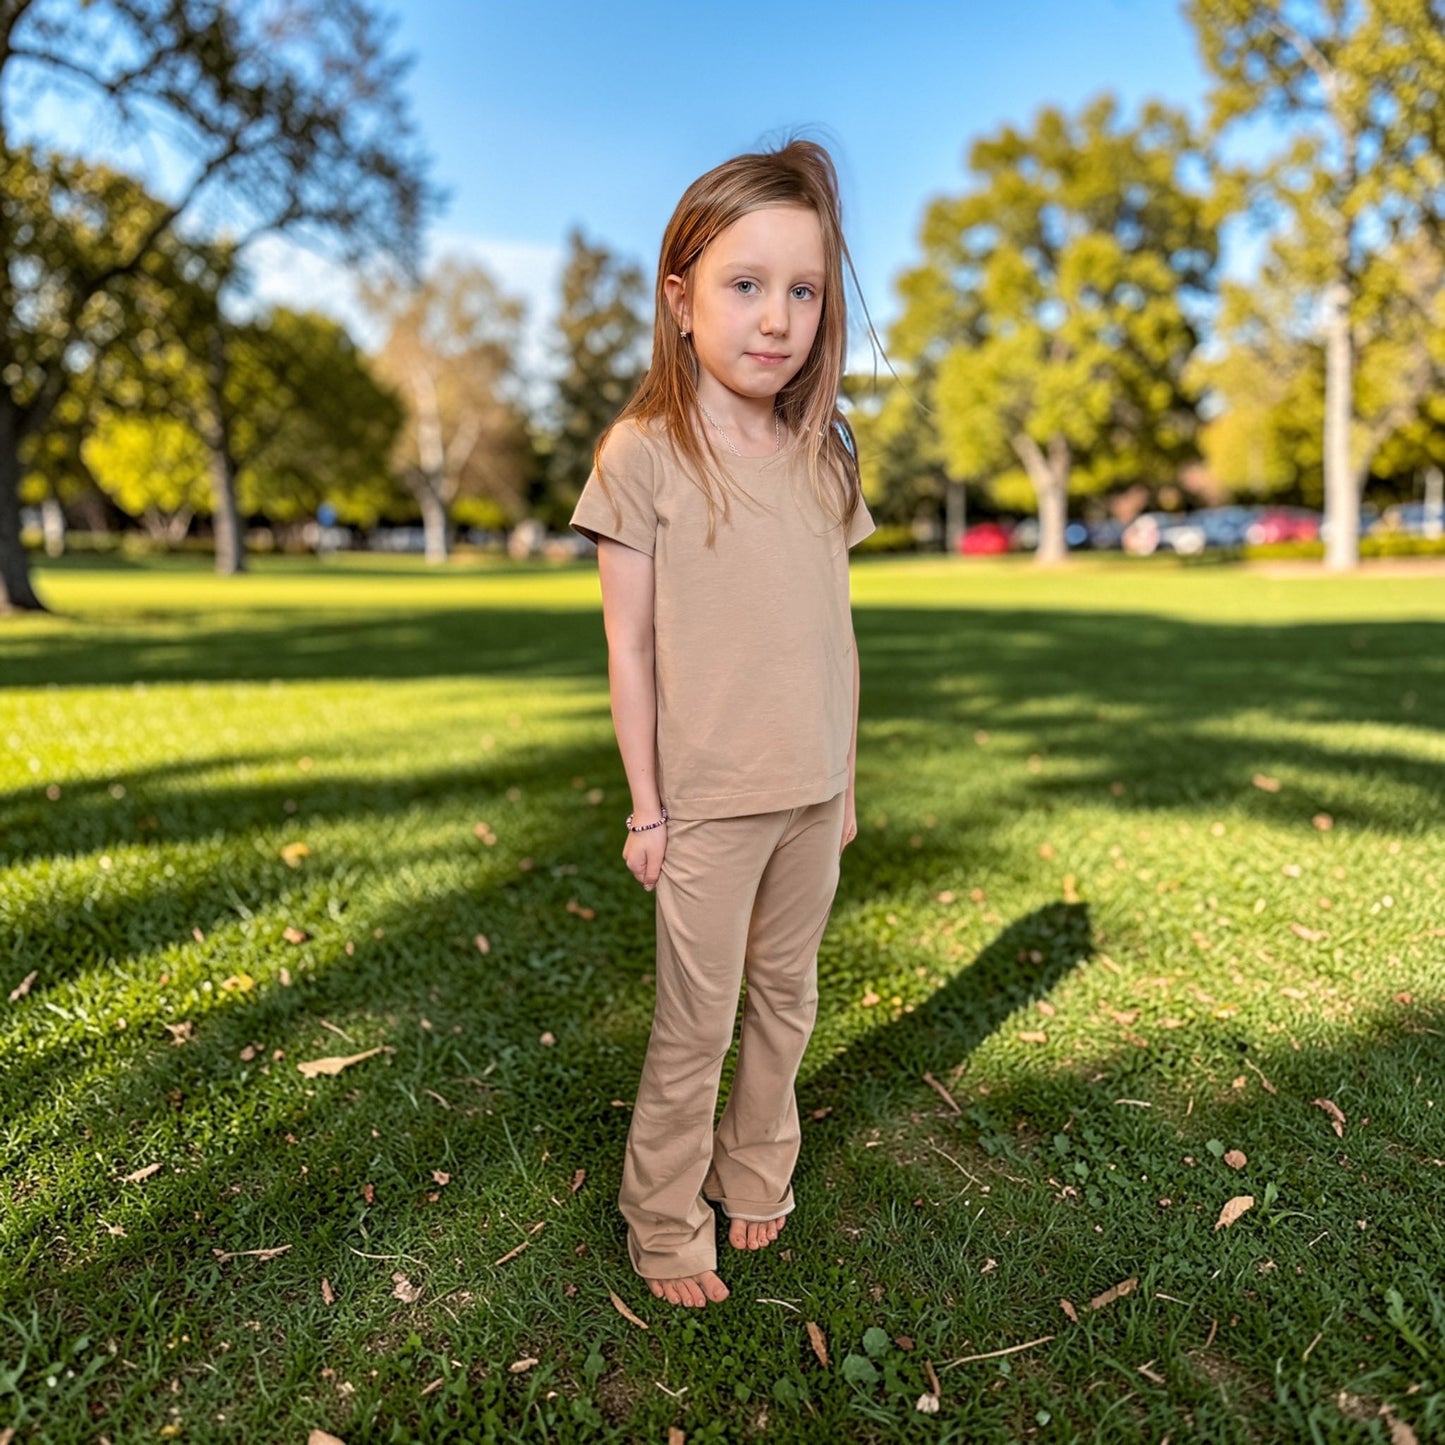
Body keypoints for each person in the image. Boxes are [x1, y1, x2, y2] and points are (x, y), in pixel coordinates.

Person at [569, 138, 876, 1309]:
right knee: (695, 1022)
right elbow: (629, 647)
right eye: (745, 285)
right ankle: (661, 1217)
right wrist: (648, 806)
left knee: (786, 998)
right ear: (679, 295)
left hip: (809, 789)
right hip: (703, 799)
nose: (776, 318)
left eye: (802, 290)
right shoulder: (643, 454)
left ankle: (759, 1168)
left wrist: (842, 781)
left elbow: (833, 634)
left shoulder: (821, 455)